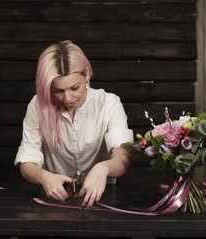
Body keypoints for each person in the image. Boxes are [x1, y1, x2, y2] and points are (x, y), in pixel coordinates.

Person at [14, 40, 133, 207]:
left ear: (87, 74)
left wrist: (103, 168)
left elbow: (123, 158)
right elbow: (27, 162)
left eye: (74, 88)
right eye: (58, 91)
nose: (68, 98)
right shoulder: (37, 105)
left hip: (105, 198)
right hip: (54, 199)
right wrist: (43, 176)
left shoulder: (109, 103)